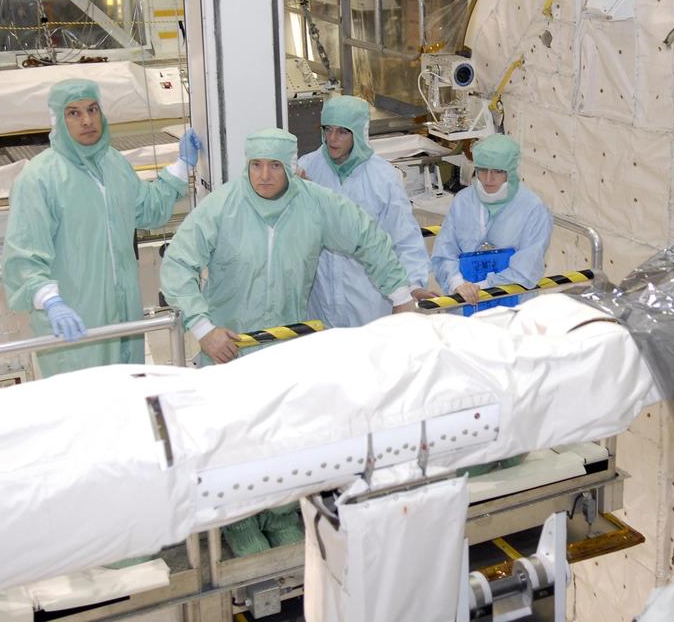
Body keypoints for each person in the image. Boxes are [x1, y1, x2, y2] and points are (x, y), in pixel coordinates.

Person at [159, 127, 413, 556]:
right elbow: (178, 264)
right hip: (229, 349)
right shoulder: (222, 207)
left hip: (286, 349)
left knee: (280, 438)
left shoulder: (314, 206)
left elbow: (367, 237)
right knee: (230, 439)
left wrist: (402, 297)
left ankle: (278, 516)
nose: (263, 175)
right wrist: (203, 328)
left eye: (274, 166)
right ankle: (239, 523)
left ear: (290, 167)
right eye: (256, 165)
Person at [2, 78, 200, 377]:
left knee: (126, 402)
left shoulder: (113, 164)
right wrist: (50, 301)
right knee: (83, 410)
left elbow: (147, 209)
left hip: (124, 321)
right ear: (58, 120)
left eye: (93, 109)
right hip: (74, 325)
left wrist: (182, 165)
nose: (87, 120)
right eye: (74, 113)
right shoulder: (39, 178)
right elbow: (23, 257)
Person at [297, 95, 434, 327]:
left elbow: (404, 237)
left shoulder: (383, 177)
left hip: (367, 300)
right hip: (318, 301)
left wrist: (412, 285)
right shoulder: (307, 169)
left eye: (342, 131)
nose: (332, 138)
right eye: (327, 129)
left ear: (359, 133)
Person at [430, 134, 552, 310]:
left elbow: (527, 267)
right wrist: (456, 283)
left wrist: (482, 286)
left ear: (511, 171)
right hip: (462, 298)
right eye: (482, 169)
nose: (488, 178)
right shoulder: (464, 200)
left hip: (511, 304)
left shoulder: (533, 209)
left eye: (498, 171)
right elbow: (444, 251)